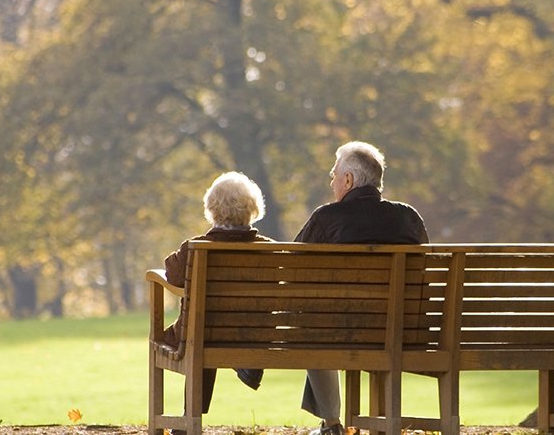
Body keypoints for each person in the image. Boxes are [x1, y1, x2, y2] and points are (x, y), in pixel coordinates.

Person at [294, 141, 429, 435]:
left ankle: (331, 423)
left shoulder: (326, 218)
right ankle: (342, 421)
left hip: (339, 332)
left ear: (348, 180)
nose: (331, 182)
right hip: (406, 331)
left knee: (310, 319)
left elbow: (290, 268)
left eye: (334, 174)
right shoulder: (409, 217)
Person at [162, 171, 273, 418]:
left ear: (212, 209)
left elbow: (173, 274)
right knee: (207, 325)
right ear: (253, 208)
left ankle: (191, 416)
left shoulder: (196, 248)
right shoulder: (269, 250)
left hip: (202, 335)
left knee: (198, 328)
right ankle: (246, 363)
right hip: (251, 336)